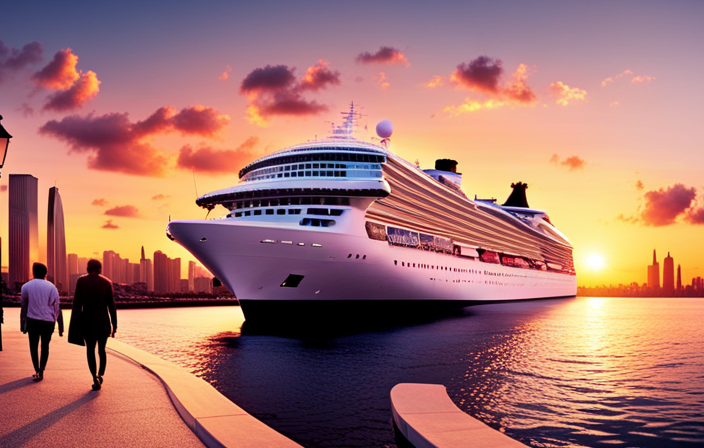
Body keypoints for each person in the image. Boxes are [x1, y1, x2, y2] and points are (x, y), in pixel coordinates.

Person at [71, 259, 117, 391]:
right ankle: (100, 374)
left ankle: (94, 377)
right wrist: (115, 325)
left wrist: (76, 325)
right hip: (103, 322)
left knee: (90, 350)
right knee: (101, 350)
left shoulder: (81, 281)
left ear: (87, 268)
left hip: (87, 322)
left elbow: (77, 305)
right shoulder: (107, 283)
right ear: (100, 268)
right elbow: (111, 306)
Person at [20, 262, 64, 382]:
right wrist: (55, 323)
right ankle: (42, 371)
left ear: (33, 272)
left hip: (32, 321)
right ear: (46, 273)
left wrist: (22, 324)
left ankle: (36, 370)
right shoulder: (52, 287)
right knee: (45, 346)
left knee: (33, 346)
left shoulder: (26, 287)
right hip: (48, 321)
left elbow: (23, 307)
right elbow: (57, 307)